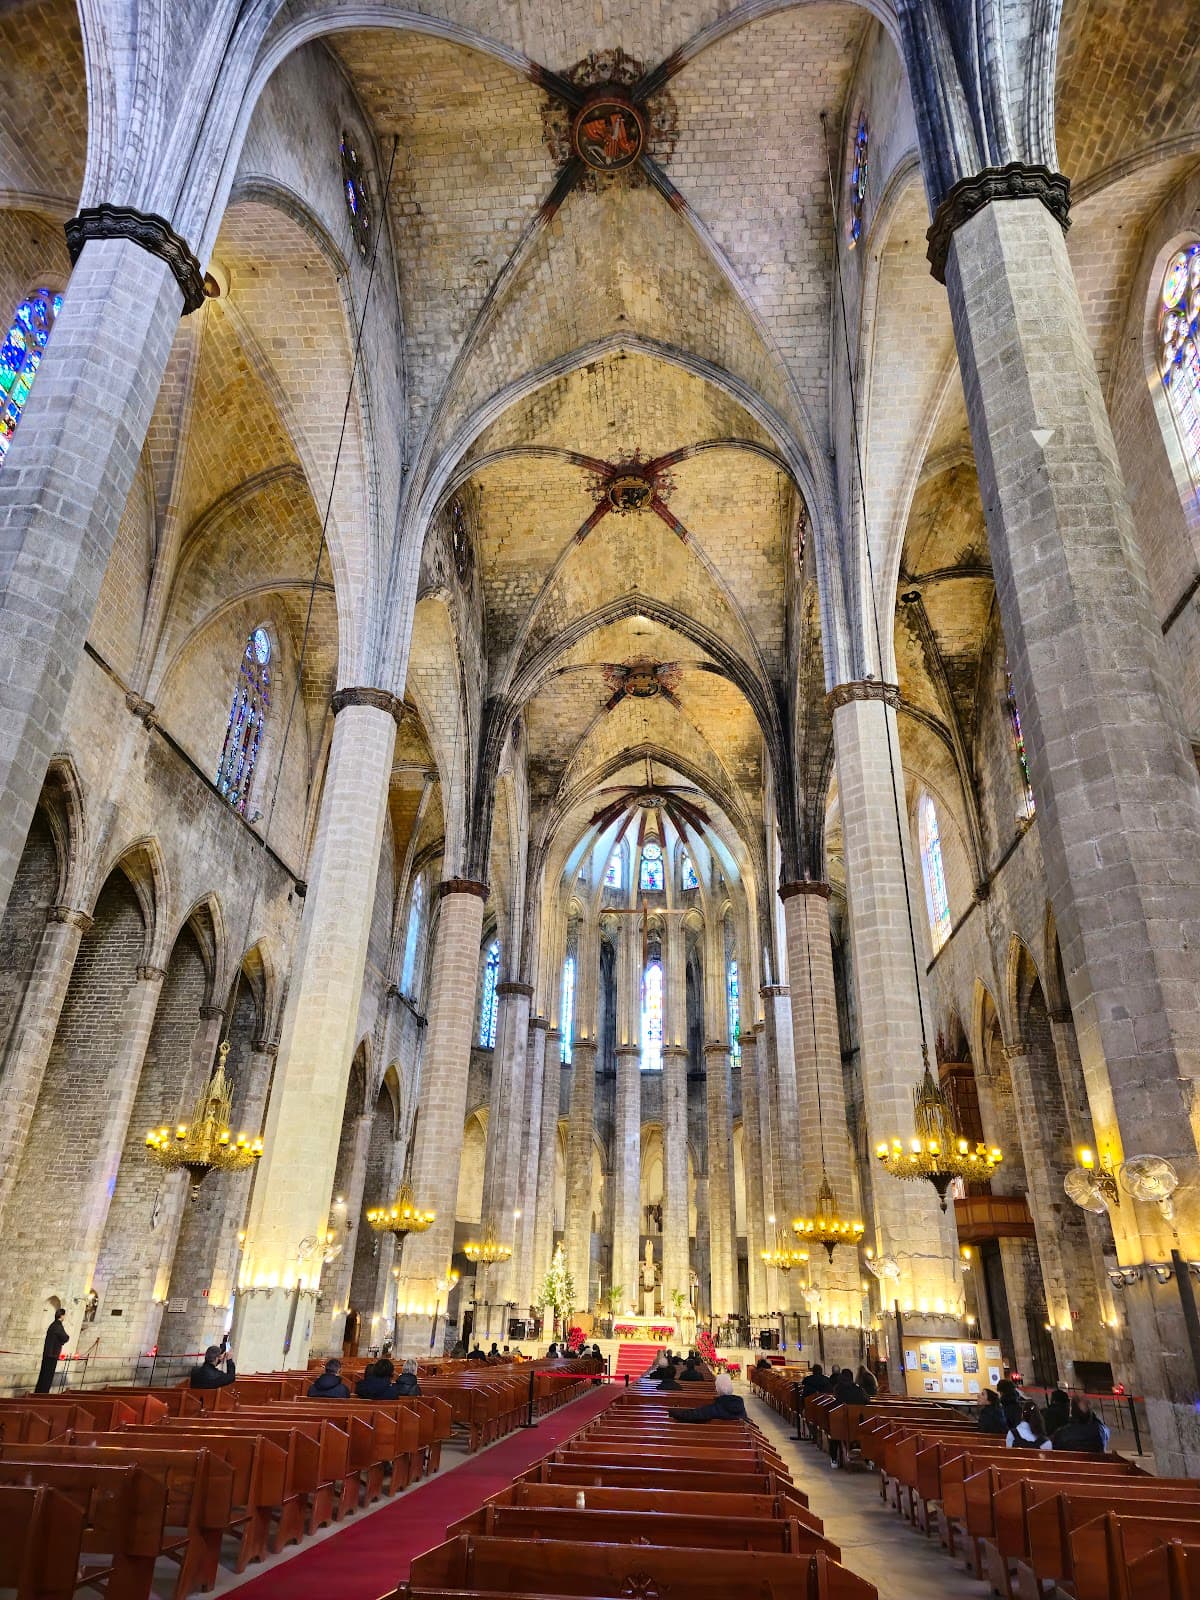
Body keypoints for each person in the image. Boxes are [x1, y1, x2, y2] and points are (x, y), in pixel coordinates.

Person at [670, 1372, 748, 1423]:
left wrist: (673, 1412)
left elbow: (693, 1415)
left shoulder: (715, 1409)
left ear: (717, 1390)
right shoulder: (740, 1405)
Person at [35, 1309, 69, 1394]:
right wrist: (62, 1341)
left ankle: (39, 1392)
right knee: (48, 1376)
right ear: (61, 1316)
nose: (65, 1317)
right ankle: (43, 1393)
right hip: (52, 1355)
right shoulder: (58, 1325)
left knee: (43, 1374)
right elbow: (65, 1337)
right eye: (64, 1315)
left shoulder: (52, 1325)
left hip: (47, 1354)